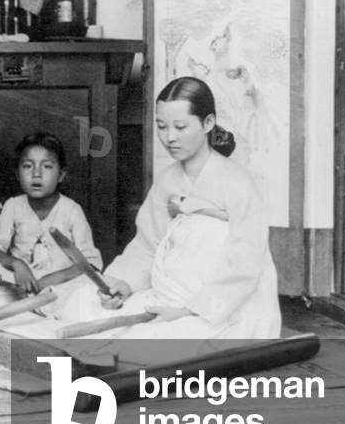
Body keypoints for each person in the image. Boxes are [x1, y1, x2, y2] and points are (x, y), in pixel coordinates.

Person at [59, 76, 280, 340]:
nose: (169, 137)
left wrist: (189, 310)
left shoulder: (238, 182)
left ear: (208, 123)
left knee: (144, 341)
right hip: (168, 294)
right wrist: (123, 283)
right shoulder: (167, 181)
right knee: (81, 304)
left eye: (180, 127)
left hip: (219, 305)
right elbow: (146, 245)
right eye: (162, 126)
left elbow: (246, 263)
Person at [0, 132, 102, 307]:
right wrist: (17, 264)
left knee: (90, 284)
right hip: (22, 282)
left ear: (61, 175)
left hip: (60, 284)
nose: (36, 174)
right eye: (27, 166)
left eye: (47, 166)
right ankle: (21, 305)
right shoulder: (13, 206)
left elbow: (91, 263)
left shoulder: (71, 210)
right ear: (18, 174)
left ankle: (42, 309)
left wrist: (52, 279)